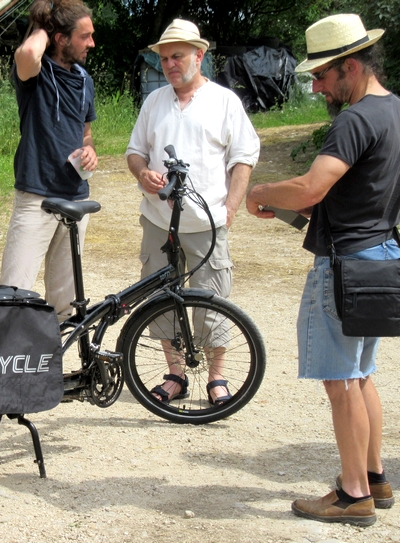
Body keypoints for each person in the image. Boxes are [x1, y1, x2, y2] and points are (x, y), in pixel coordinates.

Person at [246, 13, 399, 527]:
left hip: (344, 266)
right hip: (380, 257)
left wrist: (263, 192)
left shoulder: (354, 120)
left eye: (320, 75)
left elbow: (312, 188)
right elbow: (363, 188)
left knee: (340, 380)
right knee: (362, 374)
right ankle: (375, 478)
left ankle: (352, 494)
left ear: (350, 67)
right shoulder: (394, 111)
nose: (315, 86)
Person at [125, 19, 260, 405]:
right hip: (158, 219)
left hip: (206, 222)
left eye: (177, 56)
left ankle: (216, 378)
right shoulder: (154, 102)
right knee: (158, 296)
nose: (169, 64)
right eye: (164, 58)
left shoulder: (224, 101)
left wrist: (231, 206)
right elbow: (134, 152)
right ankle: (175, 374)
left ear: (199, 56)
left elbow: (244, 158)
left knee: (211, 297)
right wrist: (143, 172)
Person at [0, 0, 97, 321]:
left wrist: (90, 150)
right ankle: (9, 366)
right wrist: (44, 22)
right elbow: (27, 53)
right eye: (84, 36)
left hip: (76, 198)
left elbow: (85, 134)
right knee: (14, 292)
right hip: (36, 196)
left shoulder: (85, 80)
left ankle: (52, 365)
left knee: (65, 300)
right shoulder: (36, 76)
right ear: (60, 39)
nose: (91, 44)